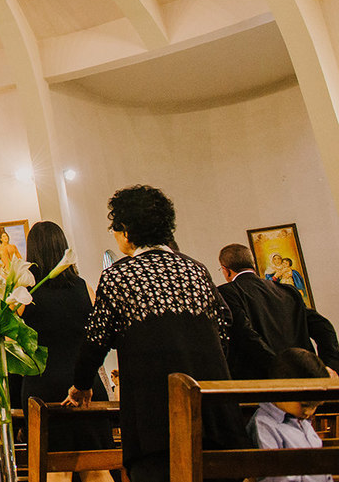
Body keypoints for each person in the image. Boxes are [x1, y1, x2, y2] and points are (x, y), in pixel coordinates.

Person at [65, 185, 247, 482]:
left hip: (154, 418)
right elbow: (224, 321)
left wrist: (81, 385)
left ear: (126, 231)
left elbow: (96, 339)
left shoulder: (119, 276)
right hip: (211, 411)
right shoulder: (196, 270)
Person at [20, 222, 112, 482]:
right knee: (97, 468)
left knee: (55, 471)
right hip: (85, 385)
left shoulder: (24, 296)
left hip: (43, 388)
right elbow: (98, 338)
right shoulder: (85, 288)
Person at [217, 243, 339, 379]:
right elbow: (323, 327)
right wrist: (328, 365)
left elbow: (245, 335)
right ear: (253, 265)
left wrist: (280, 368)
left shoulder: (226, 293)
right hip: (304, 374)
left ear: (226, 270)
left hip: (262, 379)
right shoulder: (288, 291)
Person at [248, 348, 330, 482]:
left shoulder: (303, 421)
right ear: (280, 389)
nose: (309, 412)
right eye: (304, 405)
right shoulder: (265, 425)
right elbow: (275, 477)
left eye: (315, 406)